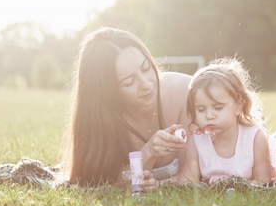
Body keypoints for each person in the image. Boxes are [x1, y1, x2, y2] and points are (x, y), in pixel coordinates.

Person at [60, 27, 191, 186]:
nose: (146, 84)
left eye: (146, 68)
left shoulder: (186, 92)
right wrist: (148, 153)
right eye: (129, 82)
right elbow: (99, 182)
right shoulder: (102, 120)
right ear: (107, 92)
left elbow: (193, 175)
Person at [178, 57, 274, 185]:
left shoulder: (255, 137)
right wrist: (158, 183)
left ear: (239, 106)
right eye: (201, 110)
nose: (209, 116)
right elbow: (187, 179)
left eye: (218, 108)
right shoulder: (196, 140)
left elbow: (263, 180)